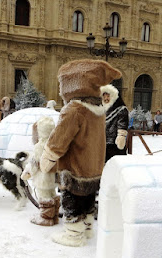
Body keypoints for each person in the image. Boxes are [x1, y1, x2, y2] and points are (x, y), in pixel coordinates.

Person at [40, 59, 122, 247]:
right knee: (87, 201)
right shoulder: (98, 110)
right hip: (93, 168)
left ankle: (73, 235)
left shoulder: (74, 109)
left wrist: (47, 158)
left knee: (72, 201)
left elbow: (58, 139)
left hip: (74, 169)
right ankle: (86, 229)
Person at [21, 116, 59, 226]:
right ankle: (54, 216)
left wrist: (27, 172)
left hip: (43, 177)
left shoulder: (40, 146)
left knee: (44, 196)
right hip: (53, 176)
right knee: (52, 194)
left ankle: (46, 218)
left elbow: (34, 163)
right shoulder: (54, 144)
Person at [100, 84, 128, 162]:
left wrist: (121, 137)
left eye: (108, 96)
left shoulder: (121, 109)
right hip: (102, 143)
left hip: (114, 144)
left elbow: (122, 125)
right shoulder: (101, 109)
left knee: (115, 165)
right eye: (104, 96)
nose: (106, 98)